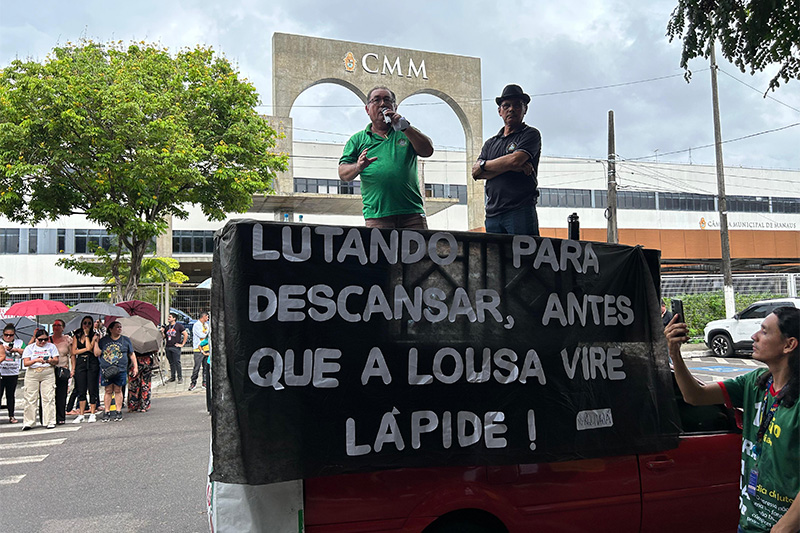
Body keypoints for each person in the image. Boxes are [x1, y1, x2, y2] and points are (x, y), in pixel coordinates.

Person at [667, 307, 799, 532]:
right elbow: (695, 396)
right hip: (750, 523)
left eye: (765, 332)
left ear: (789, 345)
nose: (754, 336)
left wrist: (784, 527)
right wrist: (675, 354)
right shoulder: (755, 382)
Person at [338, 86, 434, 229]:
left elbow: (427, 151)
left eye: (387, 100)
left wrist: (405, 127)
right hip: (377, 217)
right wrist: (358, 167)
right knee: (380, 252)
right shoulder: (357, 140)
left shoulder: (406, 132)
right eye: (376, 100)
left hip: (411, 215)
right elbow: (343, 174)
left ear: (395, 106)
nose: (382, 104)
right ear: (367, 109)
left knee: (416, 252)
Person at [472, 84, 542, 235]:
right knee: (495, 258)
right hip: (493, 214)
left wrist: (487, 166)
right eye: (506, 106)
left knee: (524, 258)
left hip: (520, 211)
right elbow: (476, 172)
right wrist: (509, 166)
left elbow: (515, 160)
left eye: (517, 105)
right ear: (500, 111)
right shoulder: (491, 143)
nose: (511, 109)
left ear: (525, 110)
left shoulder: (530, 134)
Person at [94, 321, 137, 422]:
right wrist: (96, 342)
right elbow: (97, 353)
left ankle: (118, 411)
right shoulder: (104, 340)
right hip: (107, 369)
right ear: (111, 329)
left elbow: (131, 354)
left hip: (120, 369)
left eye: (120, 327)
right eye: (117, 327)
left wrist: (135, 366)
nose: (119, 329)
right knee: (108, 390)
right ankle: (107, 411)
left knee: (118, 389)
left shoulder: (125, 340)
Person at [21, 328, 59, 430]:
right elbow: (26, 362)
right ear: (35, 339)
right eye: (40, 340)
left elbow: (56, 360)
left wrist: (49, 360)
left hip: (47, 371)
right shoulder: (30, 348)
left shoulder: (51, 347)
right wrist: (36, 360)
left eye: (45, 339)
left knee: (48, 397)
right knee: (30, 398)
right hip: (33, 372)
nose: (43, 342)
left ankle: (50, 420)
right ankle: (29, 421)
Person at [70, 316, 99, 423]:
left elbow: (90, 348)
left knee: (92, 388)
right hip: (81, 363)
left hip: (92, 363)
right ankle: (81, 413)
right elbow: (74, 351)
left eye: (89, 323)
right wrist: (86, 349)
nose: (86, 325)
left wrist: (87, 335)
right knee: (81, 388)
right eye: (85, 323)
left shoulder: (94, 335)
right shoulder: (76, 335)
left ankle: (92, 412)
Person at [49, 319, 72, 425]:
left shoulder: (67, 339)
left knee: (61, 394)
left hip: (62, 369)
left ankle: (61, 416)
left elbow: (72, 355)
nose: (56, 327)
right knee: (49, 395)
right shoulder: (47, 339)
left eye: (58, 325)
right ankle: (50, 416)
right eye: (54, 325)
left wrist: (73, 369)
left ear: (63, 327)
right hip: (49, 370)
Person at [1, 324, 25, 423]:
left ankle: (11, 415)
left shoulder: (19, 342)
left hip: (13, 372)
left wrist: (16, 350)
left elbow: (26, 351)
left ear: (14, 335)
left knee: (10, 395)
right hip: (1, 371)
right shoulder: (0, 343)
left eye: (10, 335)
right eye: (6, 335)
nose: (8, 337)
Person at [162, 312, 187, 383]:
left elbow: (185, 334)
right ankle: (173, 377)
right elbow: (164, 337)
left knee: (177, 362)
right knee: (171, 363)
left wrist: (182, 344)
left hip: (175, 347)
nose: (168, 318)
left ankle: (180, 377)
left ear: (174, 318)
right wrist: (162, 332)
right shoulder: (167, 327)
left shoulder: (179, 326)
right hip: (168, 346)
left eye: (170, 317)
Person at [189, 312, 210, 391]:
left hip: (206, 348)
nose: (208, 319)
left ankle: (204, 382)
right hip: (198, 350)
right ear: (203, 316)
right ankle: (193, 382)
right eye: (207, 317)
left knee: (206, 367)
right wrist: (206, 333)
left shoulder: (206, 325)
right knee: (197, 367)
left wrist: (206, 333)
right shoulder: (197, 325)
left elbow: (207, 334)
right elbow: (202, 335)